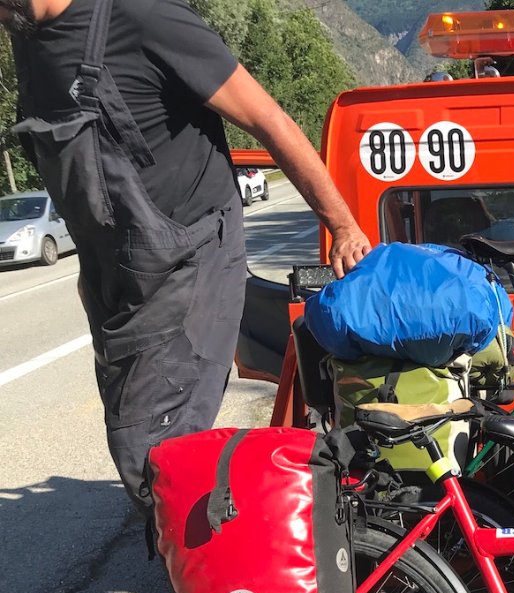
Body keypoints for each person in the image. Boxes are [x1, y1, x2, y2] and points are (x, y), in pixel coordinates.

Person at [3, 0, 371, 511]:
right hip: (115, 285)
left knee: (152, 454)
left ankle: (231, 581)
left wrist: (343, 224)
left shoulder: (141, 17)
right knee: (139, 449)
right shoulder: (28, 36)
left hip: (188, 268)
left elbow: (267, 117)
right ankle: (211, 563)